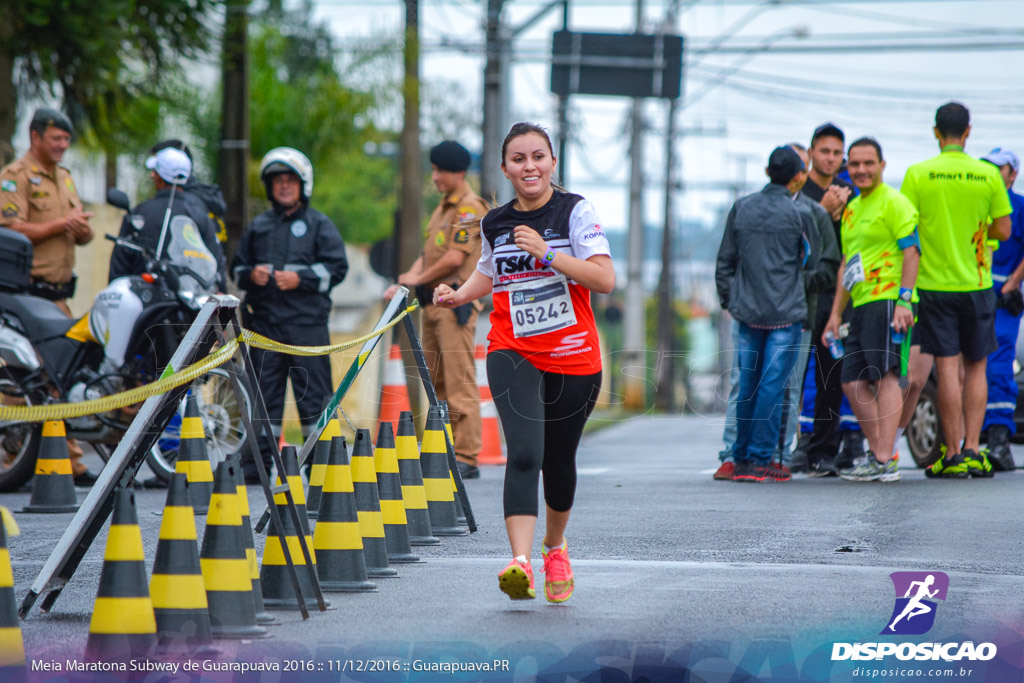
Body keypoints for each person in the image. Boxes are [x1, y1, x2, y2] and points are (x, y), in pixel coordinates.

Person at [433, 122, 614, 604]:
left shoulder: (575, 211)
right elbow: (488, 272)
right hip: (512, 350)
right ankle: (519, 562)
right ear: (505, 168)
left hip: (575, 357)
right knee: (526, 453)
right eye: (519, 159)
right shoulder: (494, 221)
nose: (529, 166)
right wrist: (457, 294)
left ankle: (555, 548)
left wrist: (549, 253)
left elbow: (604, 278)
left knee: (558, 461)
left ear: (552, 162)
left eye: (538, 157)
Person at [712, 143, 839, 481]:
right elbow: (821, 266)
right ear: (799, 177)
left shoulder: (742, 208)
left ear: (767, 172)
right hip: (787, 315)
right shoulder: (805, 214)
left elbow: (725, 262)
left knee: (747, 384)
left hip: (747, 312)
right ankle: (759, 460)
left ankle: (738, 457)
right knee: (773, 387)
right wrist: (797, 283)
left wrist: (730, 300)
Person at [900, 102, 1012, 478]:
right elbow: (1004, 230)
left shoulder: (918, 174)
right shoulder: (987, 175)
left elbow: (907, 230)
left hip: (933, 285)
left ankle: (951, 456)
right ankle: (973, 449)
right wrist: (978, 232)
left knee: (947, 367)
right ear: (968, 132)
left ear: (936, 132)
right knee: (976, 366)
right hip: (978, 283)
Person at [231, 147, 348, 483]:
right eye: (277, 181)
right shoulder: (259, 226)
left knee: (313, 398)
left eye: (289, 180)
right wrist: (250, 275)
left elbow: (337, 268)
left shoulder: (319, 225)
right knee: (262, 399)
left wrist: (302, 278)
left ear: (302, 184)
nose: (283, 186)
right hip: (265, 327)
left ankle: (322, 467)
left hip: (306, 327)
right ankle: (256, 469)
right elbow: (237, 267)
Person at [0, 108, 97, 486]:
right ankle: (16, 461)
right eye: (56, 139)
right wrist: (62, 224)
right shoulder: (15, 177)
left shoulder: (65, 177)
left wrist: (81, 229)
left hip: (59, 297)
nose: (62, 146)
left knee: (64, 375)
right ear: (35, 136)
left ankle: (66, 459)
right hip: (27, 296)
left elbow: (79, 232)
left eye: (66, 140)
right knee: (26, 380)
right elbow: (10, 229)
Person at [384, 140, 487, 480]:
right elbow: (430, 256)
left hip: (455, 302)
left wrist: (414, 279)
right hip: (432, 304)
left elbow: (454, 260)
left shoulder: (470, 208)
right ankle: (446, 448)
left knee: (458, 378)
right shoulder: (444, 208)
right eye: (434, 169)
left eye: (441, 170)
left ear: (459, 172)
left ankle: (467, 455)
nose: (435, 176)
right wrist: (408, 280)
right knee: (437, 380)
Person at [822, 137, 919, 482]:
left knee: (886, 376)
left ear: (882, 165)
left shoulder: (895, 202)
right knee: (851, 381)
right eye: (855, 164)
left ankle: (881, 457)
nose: (861, 170)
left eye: (868, 163)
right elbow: (847, 264)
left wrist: (905, 301)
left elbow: (912, 252)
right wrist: (835, 314)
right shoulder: (851, 209)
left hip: (889, 298)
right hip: (860, 304)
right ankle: (881, 454)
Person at [798, 122, 865, 475]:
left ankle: (825, 449)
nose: (831, 159)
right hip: (799, 295)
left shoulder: (850, 193)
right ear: (811, 153)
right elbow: (793, 241)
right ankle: (791, 446)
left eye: (837, 153)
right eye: (825, 152)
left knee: (831, 373)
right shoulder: (799, 191)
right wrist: (821, 212)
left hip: (838, 297)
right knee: (791, 375)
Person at [108, 147, 226, 289]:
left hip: (145, 303)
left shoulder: (139, 213)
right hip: (191, 303)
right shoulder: (201, 217)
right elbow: (217, 268)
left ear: (159, 177)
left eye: (155, 172)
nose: (152, 175)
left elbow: (118, 272)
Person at [979, 148, 1023, 472]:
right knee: (967, 365)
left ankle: (998, 441)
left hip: (1003, 297)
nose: (993, 172)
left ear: (1013, 174)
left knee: (998, 365)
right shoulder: (976, 201)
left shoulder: (1019, 206)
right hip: (972, 292)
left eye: (1000, 168)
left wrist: (1010, 286)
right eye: (988, 167)